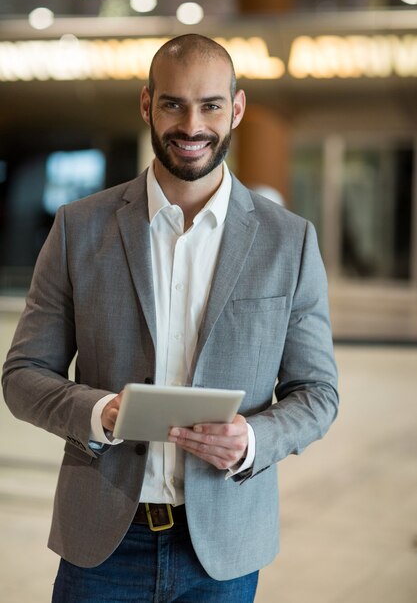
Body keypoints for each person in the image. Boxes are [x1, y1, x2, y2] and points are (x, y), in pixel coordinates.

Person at [2, 34, 339, 603]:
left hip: (224, 550)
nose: (191, 125)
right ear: (145, 105)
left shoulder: (291, 241)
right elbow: (22, 376)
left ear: (236, 108)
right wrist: (100, 413)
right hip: (103, 543)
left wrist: (253, 440)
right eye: (173, 104)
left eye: (210, 105)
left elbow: (318, 392)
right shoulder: (79, 228)